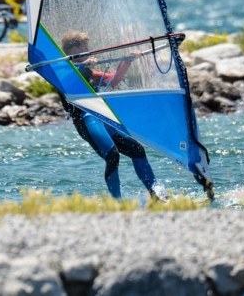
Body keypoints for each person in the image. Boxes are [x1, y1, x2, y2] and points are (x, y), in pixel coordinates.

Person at [59, 30, 169, 202]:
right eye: (79, 53)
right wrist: (83, 64)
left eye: (86, 51)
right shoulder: (62, 72)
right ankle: (117, 203)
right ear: (69, 54)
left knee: (137, 150)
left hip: (101, 117)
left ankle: (156, 195)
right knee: (112, 156)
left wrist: (127, 61)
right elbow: (70, 77)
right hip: (85, 119)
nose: (84, 55)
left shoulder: (90, 72)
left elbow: (114, 79)